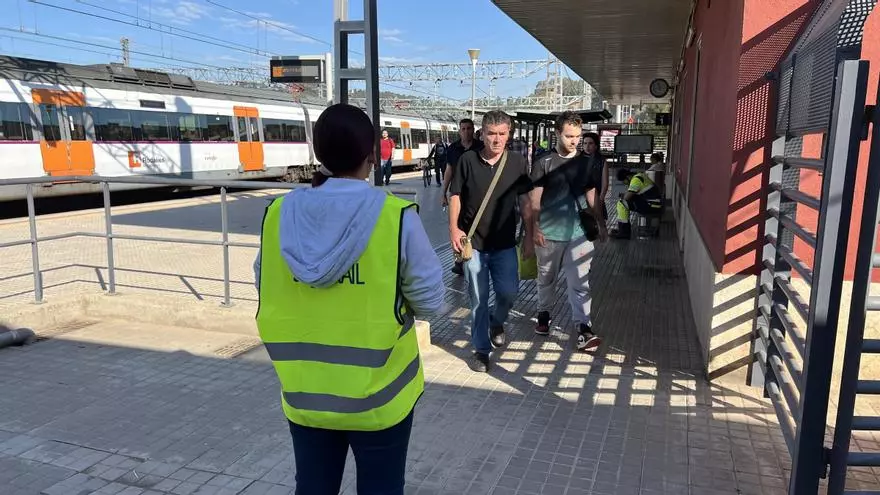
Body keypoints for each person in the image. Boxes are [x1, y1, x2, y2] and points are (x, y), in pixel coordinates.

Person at [252, 103, 444, 495]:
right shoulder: (395, 216)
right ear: (372, 156)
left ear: (318, 153)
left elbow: (263, 282)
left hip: (307, 395)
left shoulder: (277, 215)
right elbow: (431, 301)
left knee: (313, 488)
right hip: (380, 400)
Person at [449, 110, 534, 372]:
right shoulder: (467, 160)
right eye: (491, 134)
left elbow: (525, 200)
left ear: (509, 135)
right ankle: (481, 350)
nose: (496, 139)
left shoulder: (518, 162)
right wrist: (453, 228)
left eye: (502, 134)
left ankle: (497, 321)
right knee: (479, 299)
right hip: (474, 244)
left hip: (506, 244)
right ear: (481, 134)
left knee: (508, 293)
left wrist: (530, 234)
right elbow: (456, 196)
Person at [530, 112, 606, 352]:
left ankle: (584, 329)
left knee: (580, 283)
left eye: (578, 136)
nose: (574, 140)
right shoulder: (543, 163)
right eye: (569, 136)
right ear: (557, 134)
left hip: (579, 233)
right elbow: (534, 199)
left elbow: (592, 194)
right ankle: (544, 314)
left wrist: (601, 223)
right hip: (549, 233)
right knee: (546, 279)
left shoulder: (587, 163)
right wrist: (534, 228)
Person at [441, 118, 483, 276]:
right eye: (463, 128)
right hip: (457, 193)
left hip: (476, 193)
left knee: (473, 223)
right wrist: (443, 192)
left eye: (469, 128)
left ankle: (474, 255)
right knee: (456, 225)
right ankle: (459, 259)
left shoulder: (480, 147)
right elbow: (449, 170)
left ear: (473, 130)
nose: (466, 131)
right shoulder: (453, 148)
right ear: (459, 131)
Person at [611, 168, 663, 239]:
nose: (625, 183)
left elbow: (627, 198)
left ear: (627, 177)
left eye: (624, 181)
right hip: (654, 205)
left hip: (651, 206)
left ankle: (624, 232)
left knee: (621, 204)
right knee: (625, 202)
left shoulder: (636, 180)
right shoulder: (640, 175)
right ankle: (622, 230)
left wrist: (624, 195)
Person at [582, 132, 609, 222]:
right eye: (585, 143)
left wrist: (601, 200)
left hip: (596, 199)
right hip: (580, 198)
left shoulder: (602, 161)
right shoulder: (577, 159)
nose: (587, 146)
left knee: (597, 225)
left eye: (590, 143)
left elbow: (605, 184)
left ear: (596, 146)